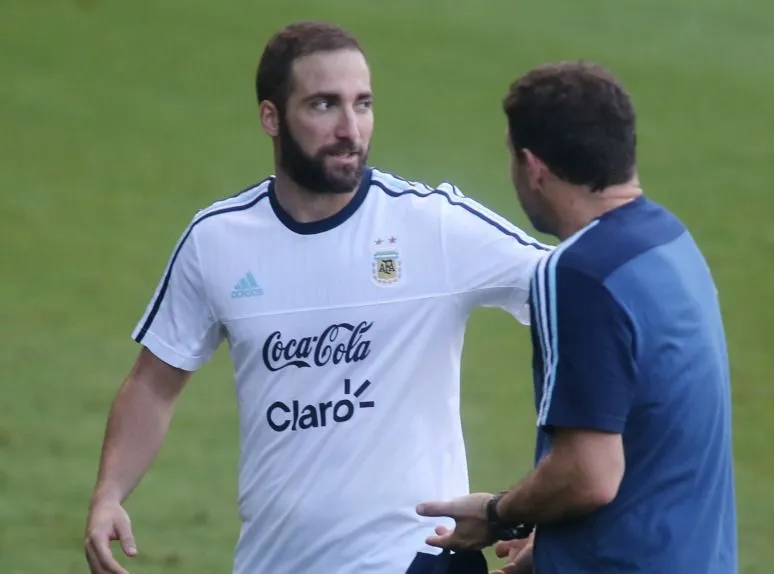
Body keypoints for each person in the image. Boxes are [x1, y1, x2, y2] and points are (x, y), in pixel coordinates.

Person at [82, 21, 552, 574]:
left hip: (417, 558)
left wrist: (543, 507)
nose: (350, 129)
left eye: (363, 104)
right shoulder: (218, 241)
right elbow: (154, 384)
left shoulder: (432, 225)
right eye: (324, 105)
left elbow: (579, 297)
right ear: (271, 117)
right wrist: (109, 495)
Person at [416, 61, 738, 574]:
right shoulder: (670, 241)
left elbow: (589, 474)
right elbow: (654, 437)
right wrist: (552, 547)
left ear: (532, 166)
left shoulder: (579, 272)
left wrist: (498, 514)